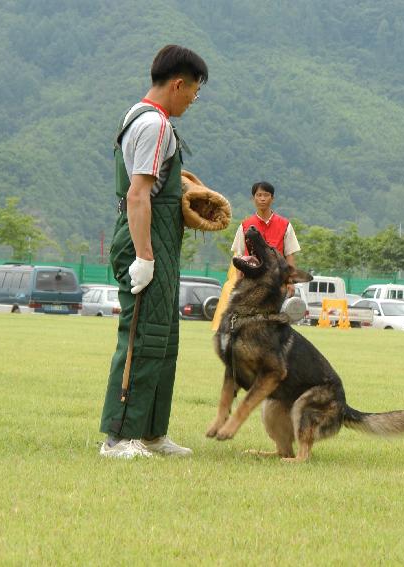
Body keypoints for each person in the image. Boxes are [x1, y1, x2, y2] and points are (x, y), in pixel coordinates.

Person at [99, 45, 208, 459]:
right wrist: (144, 256)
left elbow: (155, 185)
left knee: (164, 338)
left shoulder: (141, 119)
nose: (192, 101)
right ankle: (118, 438)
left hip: (159, 243)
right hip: (145, 243)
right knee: (142, 336)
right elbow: (138, 194)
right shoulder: (155, 125)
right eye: (193, 93)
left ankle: (151, 434)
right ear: (178, 84)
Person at [230, 181, 301, 294]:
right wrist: (238, 281)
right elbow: (239, 255)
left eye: (266, 195)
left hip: (277, 282)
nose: (262, 199)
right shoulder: (244, 226)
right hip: (251, 282)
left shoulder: (285, 225)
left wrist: (290, 281)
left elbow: (289, 255)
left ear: (272, 198)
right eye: (259, 195)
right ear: (253, 199)